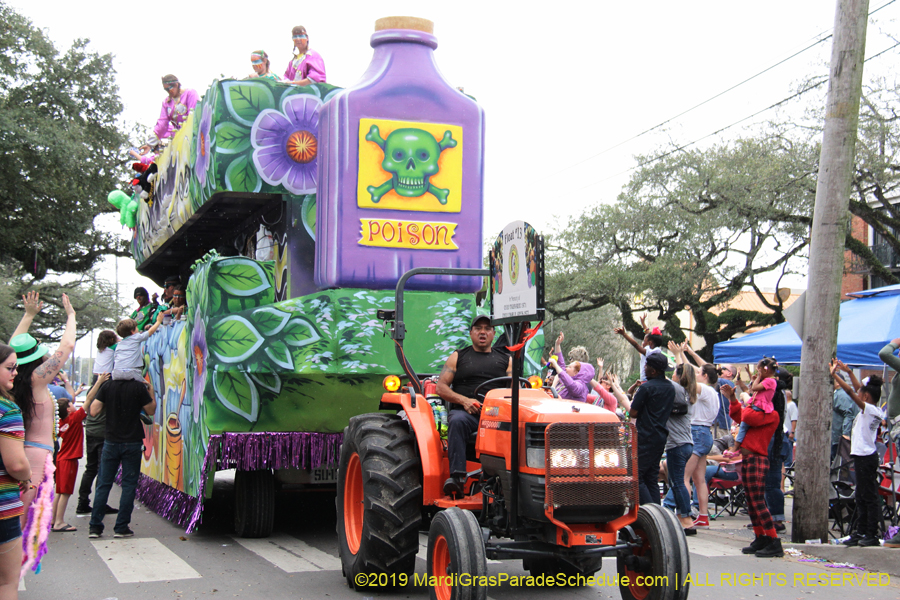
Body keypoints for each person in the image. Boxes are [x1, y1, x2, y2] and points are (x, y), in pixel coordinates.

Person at [9, 292, 76, 526]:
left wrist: (28, 316)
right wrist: (71, 316)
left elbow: (11, 348)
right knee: (25, 523)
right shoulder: (36, 379)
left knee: (21, 517)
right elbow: (67, 345)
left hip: (25, 451)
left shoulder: (14, 380)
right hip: (36, 456)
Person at [436, 315, 511, 496]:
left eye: (487, 328)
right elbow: (441, 387)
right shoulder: (458, 357)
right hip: (467, 413)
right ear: (471, 333)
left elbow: (514, 389)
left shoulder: (506, 360)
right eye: (478, 329)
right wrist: (464, 401)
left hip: (496, 414)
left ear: (494, 333)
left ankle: (512, 478)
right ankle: (457, 478)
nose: (482, 332)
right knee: (457, 420)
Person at [722, 358, 782, 558]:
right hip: (748, 459)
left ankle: (773, 540)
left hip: (757, 459)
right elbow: (740, 417)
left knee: (757, 501)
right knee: (750, 500)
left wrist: (745, 401)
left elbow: (747, 417)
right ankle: (761, 536)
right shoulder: (759, 410)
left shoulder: (771, 415)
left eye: (759, 394)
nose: (756, 396)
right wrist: (733, 399)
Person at [88, 373, 157, 538]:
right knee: (129, 485)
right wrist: (151, 391)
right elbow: (151, 410)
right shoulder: (138, 387)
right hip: (132, 441)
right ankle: (121, 527)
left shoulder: (108, 386)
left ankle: (95, 527)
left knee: (103, 484)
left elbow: (94, 411)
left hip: (111, 441)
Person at [831, 361, 884, 547]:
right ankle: (861, 531)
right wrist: (847, 372)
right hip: (862, 457)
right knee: (860, 495)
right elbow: (858, 388)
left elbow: (851, 392)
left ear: (866, 397)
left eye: (862, 393)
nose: (859, 392)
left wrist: (835, 376)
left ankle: (871, 533)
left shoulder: (869, 410)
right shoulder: (871, 408)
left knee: (868, 496)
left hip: (866, 457)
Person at [0, 344, 32, 600]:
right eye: (10, 368)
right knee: (6, 582)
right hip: (2, 508)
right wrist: (26, 475)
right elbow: (17, 465)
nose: (15, 373)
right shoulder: (6, 410)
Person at [623, 352, 674, 505]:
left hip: (645, 436)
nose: (644, 368)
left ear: (653, 371)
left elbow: (633, 412)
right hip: (660, 436)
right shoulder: (670, 388)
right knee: (651, 477)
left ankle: (648, 510)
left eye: (646, 366)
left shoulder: (646, 388)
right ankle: (657, 511)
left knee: (635, 475)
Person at [76, 374, 117, 517]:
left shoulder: (91, 392)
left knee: (90, 468)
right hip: (103, 434)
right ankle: (100, 503)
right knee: (102, 470)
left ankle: (82, 502)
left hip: (91, 432)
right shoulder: (106, 392)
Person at [51, 393, 86, 532]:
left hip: (61, 458)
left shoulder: (61, 423)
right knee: (65, 492)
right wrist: (99, 381)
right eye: (71, 404)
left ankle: (53, 519)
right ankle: (59, 522)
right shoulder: (75, 418)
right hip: (69, 460)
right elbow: (88, 401)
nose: (74, 405)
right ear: (68, 409)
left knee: (59, 491)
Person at [666, 364, 696, 532]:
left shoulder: (676, 389)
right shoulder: (688, 392)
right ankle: (681, 515)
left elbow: (664, 381)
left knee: (677, 482)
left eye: (674, 374)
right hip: (685, 443)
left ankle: (686, 517)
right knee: (677, 481)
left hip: (677, 444)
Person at [112, 313, 164, 382]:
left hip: (116, 373)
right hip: (131, 372)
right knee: (147, 387)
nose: (138, 329)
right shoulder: (135, 337)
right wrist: (158, 322)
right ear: (132, 332)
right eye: (136, 328)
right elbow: (150, 332)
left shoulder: (119, 344)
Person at [151, 75, 199, 146]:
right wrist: (150, 144)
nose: (168, 92)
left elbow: (193, 114)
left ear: (176, 85)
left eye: (169, 89)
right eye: (166, 90)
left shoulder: (190, 93)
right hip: (180, 139)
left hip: (195, 134)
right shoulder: (166, 103)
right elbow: (162, 123)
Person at [546, 333, 594, 403]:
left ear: (576, 372)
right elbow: (561, 364)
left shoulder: (580, 387)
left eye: (570, 367)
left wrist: (556, 366)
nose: (566, 368)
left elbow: (571, 384)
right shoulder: (568, 377)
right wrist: (557, 344)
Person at [831, 371, 859, 461]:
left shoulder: (841, 395)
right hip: (837, 436)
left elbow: (849, 414)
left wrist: (845, 433)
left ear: (838, 382)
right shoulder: (839, 394)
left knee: (837, 463)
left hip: (839, 438)